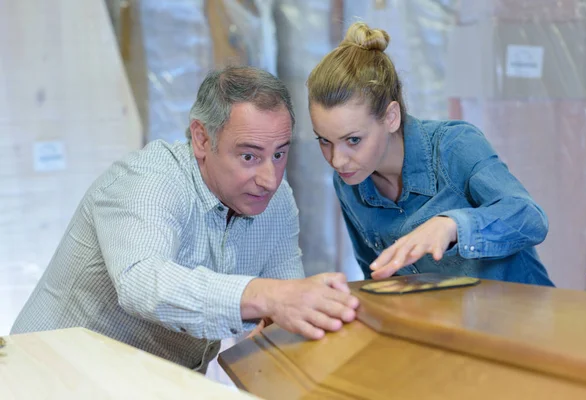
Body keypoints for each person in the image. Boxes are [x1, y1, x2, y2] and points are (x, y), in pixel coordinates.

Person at [11, 66, 359, 373]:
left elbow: (286, 300)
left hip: (152, 383)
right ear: (201, 138)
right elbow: (142, 283)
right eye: (249, 156)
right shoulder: (148, 180)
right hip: (49, 374)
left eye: (280, 153)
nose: (270, 178)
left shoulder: (277, 199)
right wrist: (263, 295)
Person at [306, 22, 554, 286]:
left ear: (391, 117)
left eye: (353, 140)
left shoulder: (455, 146)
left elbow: (530, 218)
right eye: (324, 140)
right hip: (442, 324)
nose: (337, 160)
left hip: (519, 318)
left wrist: (452, 226)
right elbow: (376, 277)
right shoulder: (349, 181)